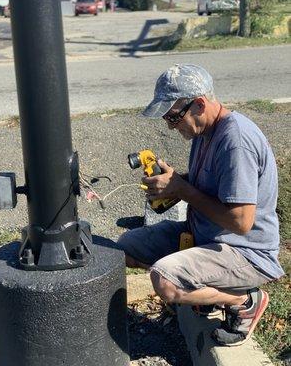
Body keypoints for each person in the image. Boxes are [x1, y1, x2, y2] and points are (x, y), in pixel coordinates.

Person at [118, 64, 285, 346]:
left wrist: (181, 189)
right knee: (124, 248)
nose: (170, 125)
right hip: (204, 235)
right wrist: (173, 182)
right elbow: (207, 188)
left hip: (245, 252)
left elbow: (241, 222)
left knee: (165, 281)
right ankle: (204, 293)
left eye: (173, 116)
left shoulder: (236, 142)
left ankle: (244, 300)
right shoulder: (204, 133)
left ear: (199, 104)